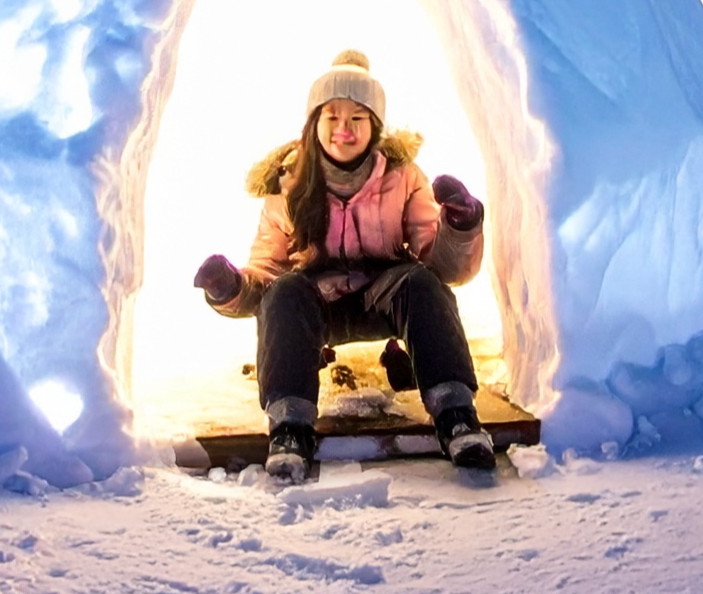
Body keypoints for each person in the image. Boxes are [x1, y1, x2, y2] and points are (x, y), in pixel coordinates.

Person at [192, 50, 494, 483]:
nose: (343, 130)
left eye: (357, 118)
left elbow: (442, 264)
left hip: (383, 296)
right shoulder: (288, 184)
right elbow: (268, 272)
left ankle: (457, 417)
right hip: (318, 304)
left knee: (423, 284)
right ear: (314, 123)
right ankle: (290, 429)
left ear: (375, 125)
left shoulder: (403, 175)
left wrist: (460, 226)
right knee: (284, 293)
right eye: (332, 117)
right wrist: (230, 287)